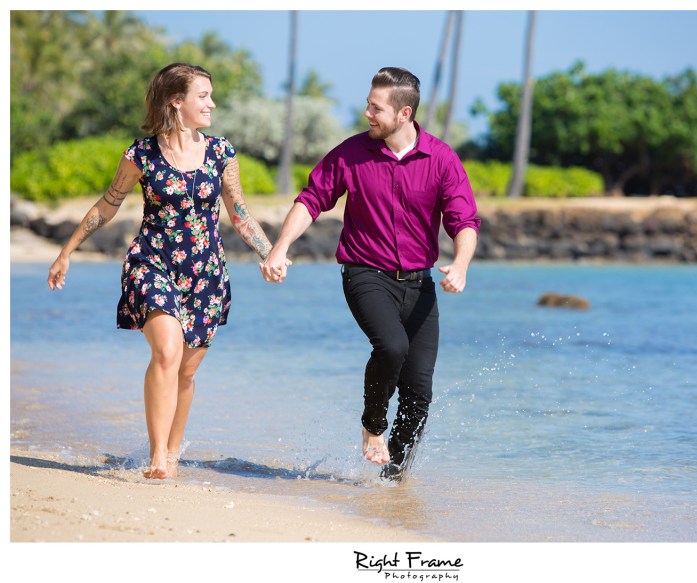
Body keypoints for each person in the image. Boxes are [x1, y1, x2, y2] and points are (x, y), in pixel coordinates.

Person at [47, 62, 280, 479]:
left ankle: (172, 453)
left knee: (186, 370)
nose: (212, 103)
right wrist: (67, 251)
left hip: (207, 272)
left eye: (210, 95)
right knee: (167, 353)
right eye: (203, 96)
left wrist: (270, 252)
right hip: (151, 262)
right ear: (177, 102)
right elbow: (108, 203)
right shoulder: (140, 154)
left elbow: (240, 214)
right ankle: (157, 458)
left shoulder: (222, 153)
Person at [260, 67, 481, 480]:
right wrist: (280, 247)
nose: (366, 114)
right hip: (365, 273)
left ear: (404, 113)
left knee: (419, 394)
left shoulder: (441, 158)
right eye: (368, 104)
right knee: (392, 347)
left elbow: (464, 220)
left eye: (375, 108)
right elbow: (311, 200)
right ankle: (372, 426)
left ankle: (392, 480)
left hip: (420, 284)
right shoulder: (351, 153)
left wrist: (462, 265)